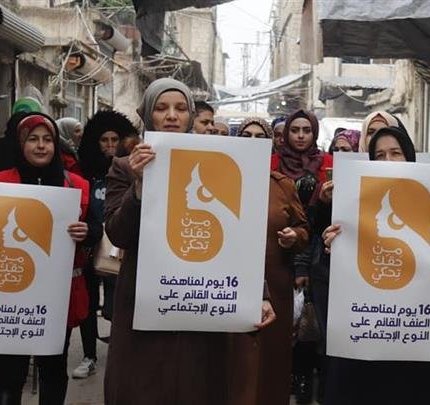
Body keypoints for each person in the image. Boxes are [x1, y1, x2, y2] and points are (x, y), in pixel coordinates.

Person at [103, 78, 276, 405]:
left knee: (197, 385)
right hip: (146, 302)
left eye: (180, 108)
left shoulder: (215, 163)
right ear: (147, 114)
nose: (171, 115)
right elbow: (118, 233)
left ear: (191, 115)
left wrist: (259, 293)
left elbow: (240, 233)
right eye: (161, 108)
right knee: (142, 389)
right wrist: (139, 187)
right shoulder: (125, 167)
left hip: (201, 300)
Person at [320, 126, 430, 404]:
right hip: (367, 333)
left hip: (414, 336)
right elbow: (335, 268)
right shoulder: (353, 201)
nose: (388, 161)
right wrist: (331, 245)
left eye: (396, 153)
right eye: (380, 155)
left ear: (409, 156)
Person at [0, 112, 100, 405]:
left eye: (47, 140)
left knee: (52, 368)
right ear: (20, 144)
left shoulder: (77, 185)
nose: (41, 146)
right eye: (33, 139)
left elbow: (97, 229)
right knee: (9, 373)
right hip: (11, 293)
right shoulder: (1, 182)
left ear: (56, 145)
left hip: (58, 297)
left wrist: (87, 232)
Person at [227, 116, 311, 405]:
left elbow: (304, 230)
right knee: (234, 359)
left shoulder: (283, 185)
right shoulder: (221, 180)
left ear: (271, 145)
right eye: (246, 136)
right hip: (229, 283)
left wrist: (294, 236)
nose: (253, 141)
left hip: (275, 285)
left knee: (271, 359)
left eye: (260, 137)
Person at [271, 109, 332, 404]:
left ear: (314, 133)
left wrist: (323, 202)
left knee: (310, 320)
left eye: (306, 130)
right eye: (294, 130)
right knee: (279, 322)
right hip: (277, 253)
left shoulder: (328, 165)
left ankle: (305, 379)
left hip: (315, 253)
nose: (300, 136)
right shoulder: (272, 164)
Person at [71, 110, 138, 378]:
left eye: (115, 139)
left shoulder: (131, 169)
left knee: (116, 305)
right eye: (104, 140)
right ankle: (89, 355)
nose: (110, 145)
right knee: (88, 304)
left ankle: (121, 350)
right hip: (89, 246)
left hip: (120, 245)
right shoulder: (84, 172)